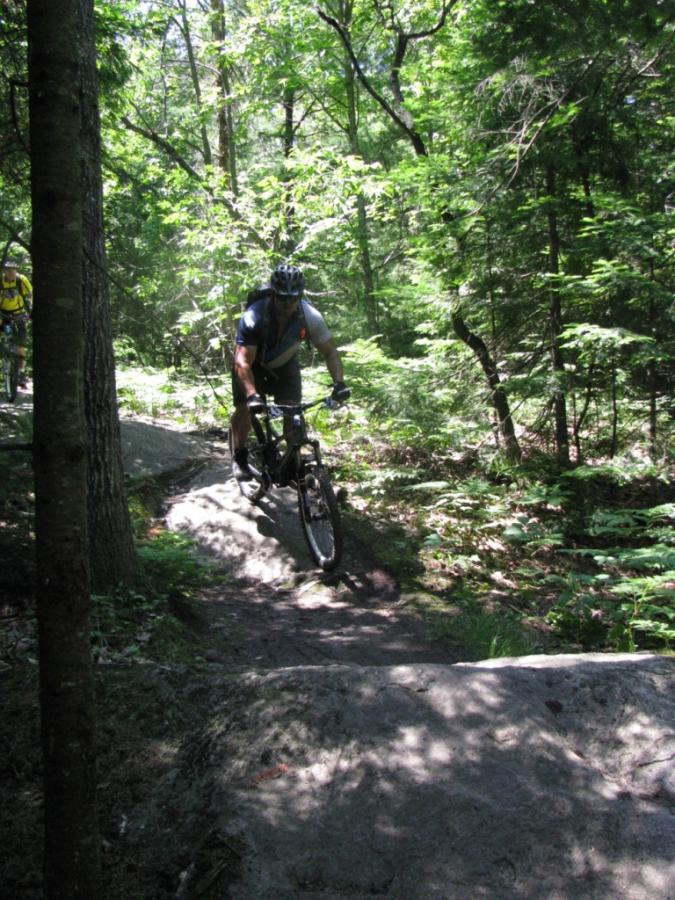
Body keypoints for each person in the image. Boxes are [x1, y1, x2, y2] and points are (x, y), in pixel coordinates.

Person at [230, 263, 350, 481]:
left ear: (300, 296)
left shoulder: (310, 316)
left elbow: (330, 352)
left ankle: (291, 462)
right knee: (245, 409)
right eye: (282, 298)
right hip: (251, 365)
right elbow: (242, 362)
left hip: (285, 365)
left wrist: (339, 383)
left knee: (293, 413)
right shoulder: (254, 316)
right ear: (273, 295)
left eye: (292, 298)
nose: (287, 303)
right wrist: (251, 395)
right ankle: (239, 456)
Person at [0, 259, 33, 387]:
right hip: (4, 314)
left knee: (20, 344)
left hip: (19, 313)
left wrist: (32, 309)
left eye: (14, 269)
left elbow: (30, 294)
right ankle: (6, 359)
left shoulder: (21, 280)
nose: (11, 272)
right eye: (8, 270)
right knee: (6, 336)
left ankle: (21, 374)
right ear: (4, 271)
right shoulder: (0, 281)